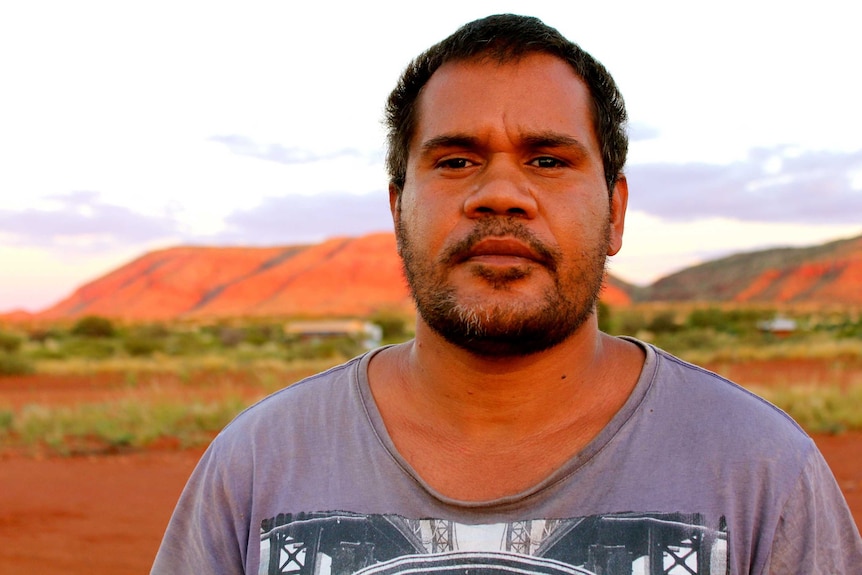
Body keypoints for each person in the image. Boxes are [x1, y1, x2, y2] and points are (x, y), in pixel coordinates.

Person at [152, 14, 862, 575]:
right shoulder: (259, 464)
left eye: (548, 160)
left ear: (615, 213)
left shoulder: (760, 469)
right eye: (456, 160)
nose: (500, 193)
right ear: (398, 207)